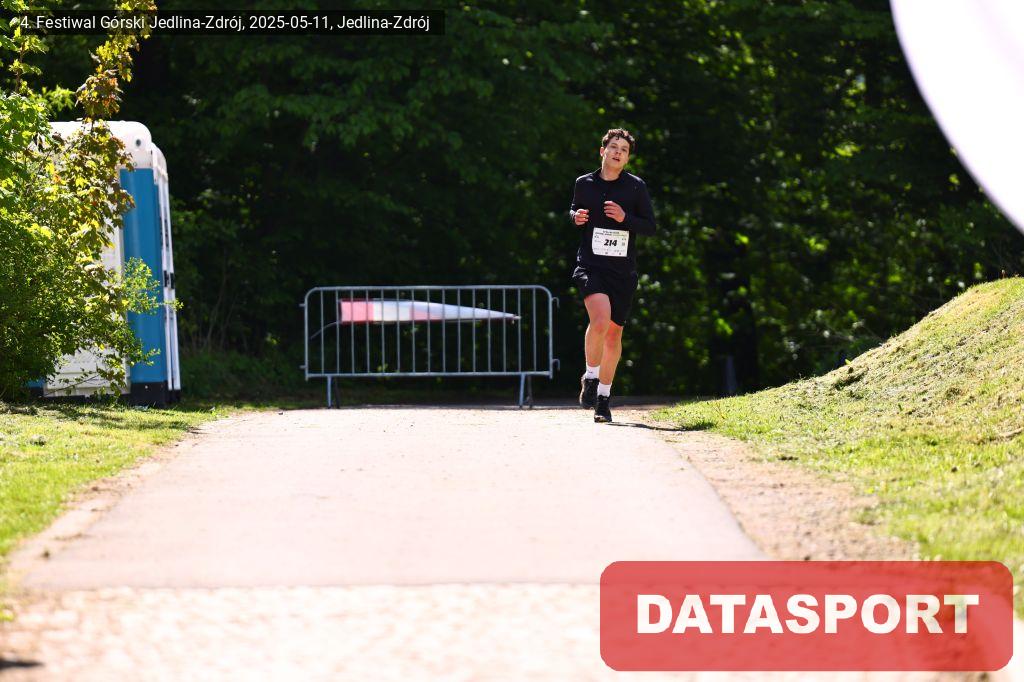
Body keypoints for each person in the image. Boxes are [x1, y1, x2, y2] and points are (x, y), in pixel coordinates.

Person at [569, 128, 657, 423]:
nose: (618, 152)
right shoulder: (584, 183)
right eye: (614, 147)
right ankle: (591, 377)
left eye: (624, 150)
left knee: (614, 334)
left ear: (627, 158)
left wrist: (624, 218)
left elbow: (650, 226)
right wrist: (575, 217)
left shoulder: (635, 187)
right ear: (602, 151)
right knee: (600, 320)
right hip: (591, 265)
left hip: (622, 271)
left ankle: (603, 400)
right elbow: (574, 210)